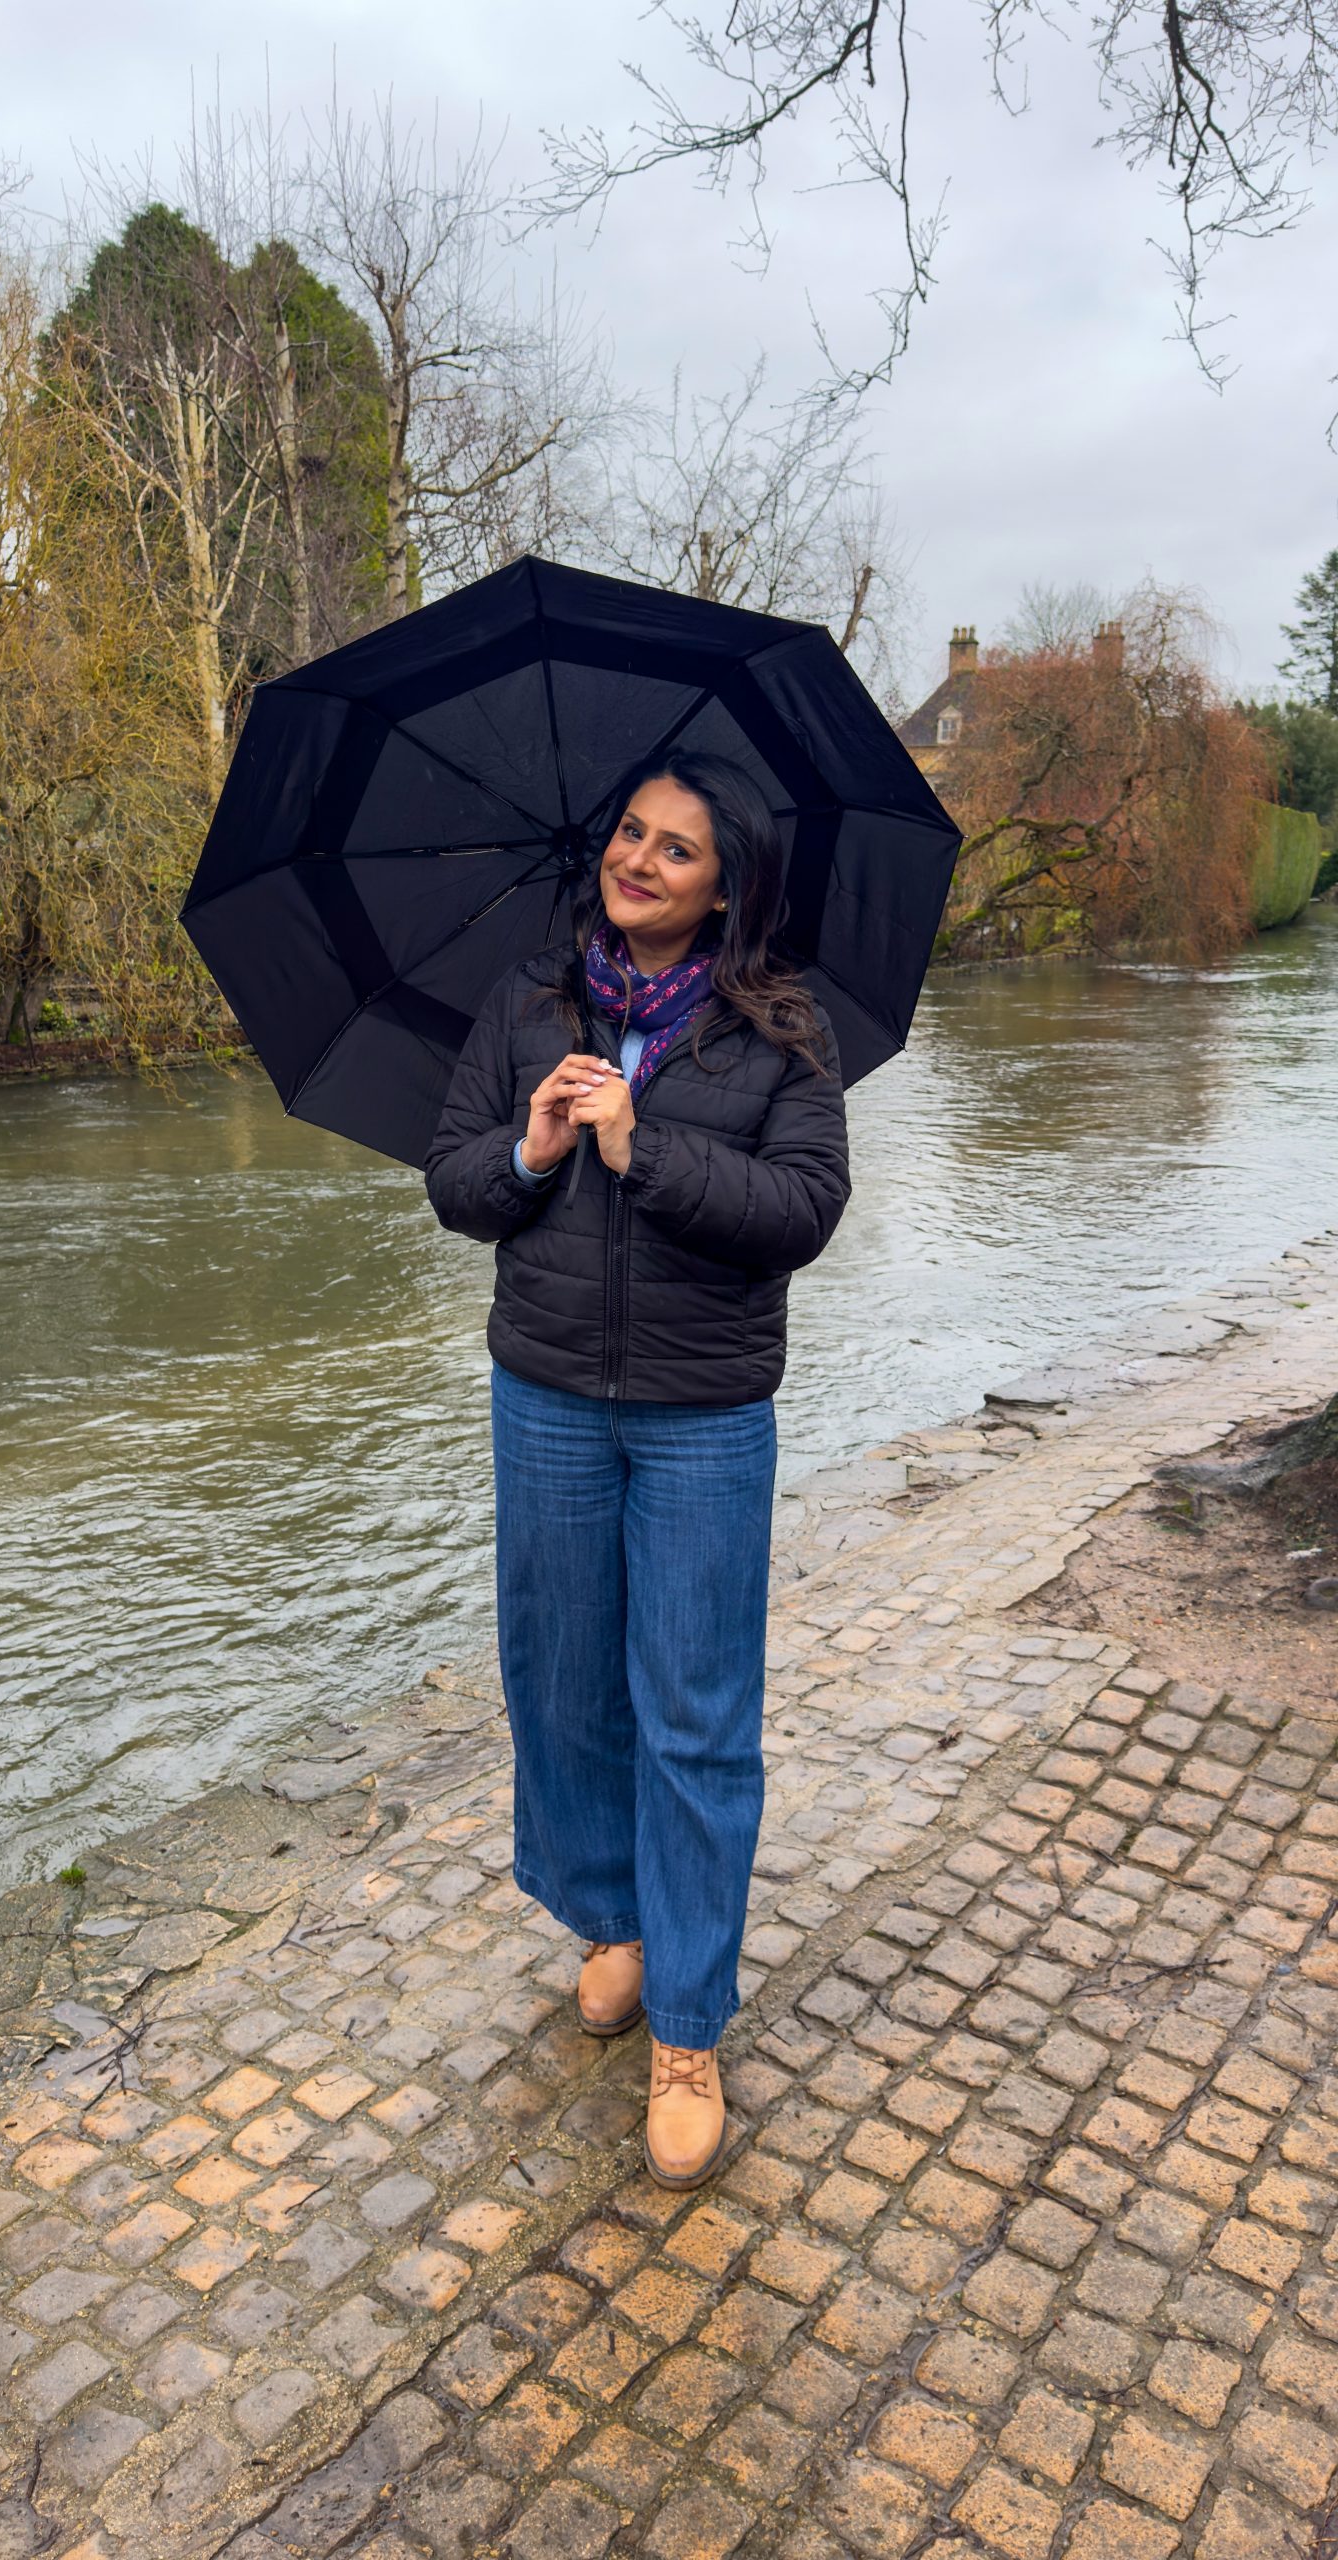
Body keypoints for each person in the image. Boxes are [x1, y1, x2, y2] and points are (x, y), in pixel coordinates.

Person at [425, 749, 851, 2189]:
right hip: (543, 1396)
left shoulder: (783, 1030)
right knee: (560, 1678)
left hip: (702, 1415)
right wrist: (537, 1147)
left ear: (728, 885)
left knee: (695, 1714)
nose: (642, 860)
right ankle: (609, 1921)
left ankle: (687, 2023)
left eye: (679, 848)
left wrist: (643, 1147)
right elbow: (454, 1180)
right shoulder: (530, 1003)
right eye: (632, 833)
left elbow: (802, 1210)